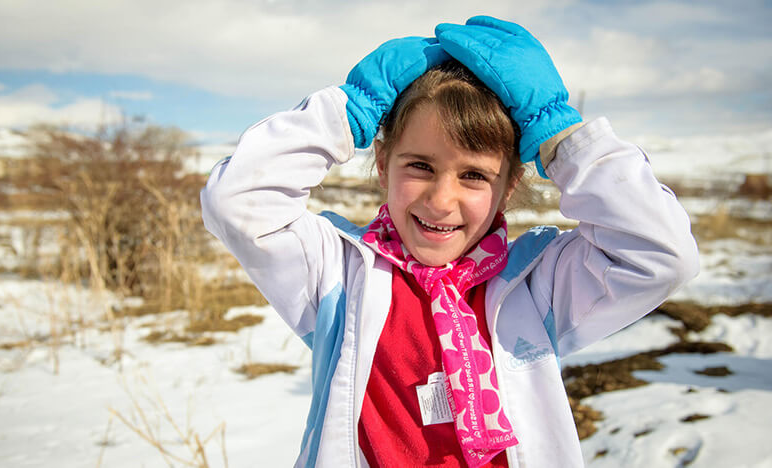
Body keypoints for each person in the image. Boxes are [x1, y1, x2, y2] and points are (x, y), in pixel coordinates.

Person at [201, 16, 699, 468]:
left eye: (474, 176)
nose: (442, 200)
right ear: (382, 165)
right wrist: (350, 110)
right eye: (420, 166)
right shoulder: (337, 275)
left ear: (508, 187)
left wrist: (557, 130)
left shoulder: (535, 288)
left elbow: (660, 251)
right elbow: (238, 202)